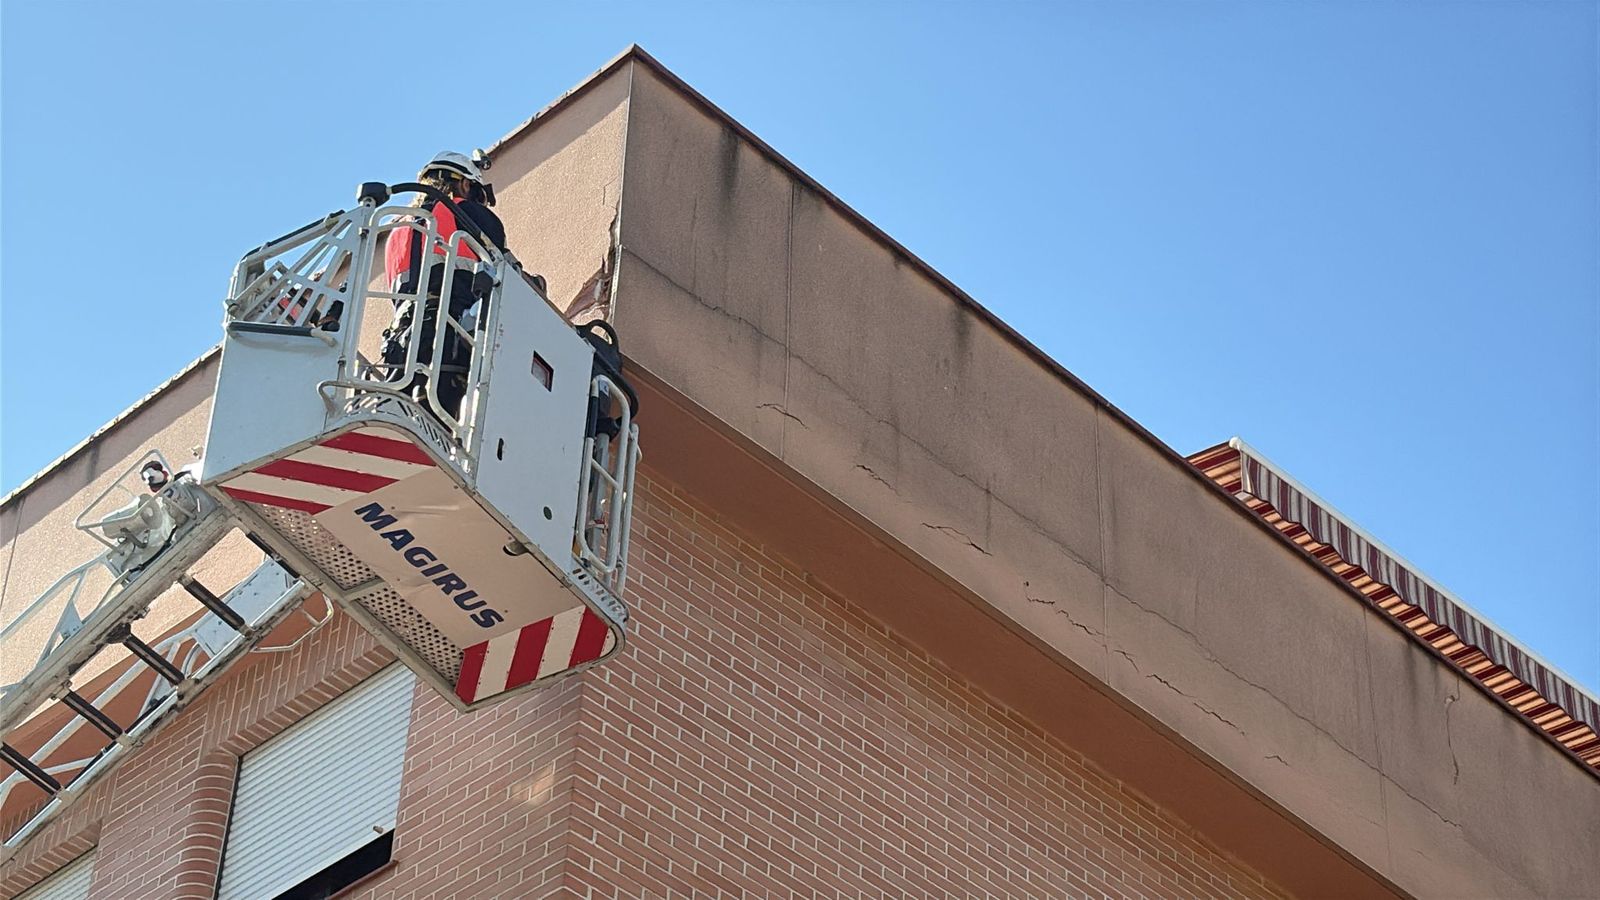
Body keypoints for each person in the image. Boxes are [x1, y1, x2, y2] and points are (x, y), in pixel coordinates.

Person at [381, 151, 508, 419]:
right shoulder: (465, 211)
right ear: (464, 184)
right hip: (450, 331)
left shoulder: (398, 230)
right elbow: (504, 268)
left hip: (403, 339)